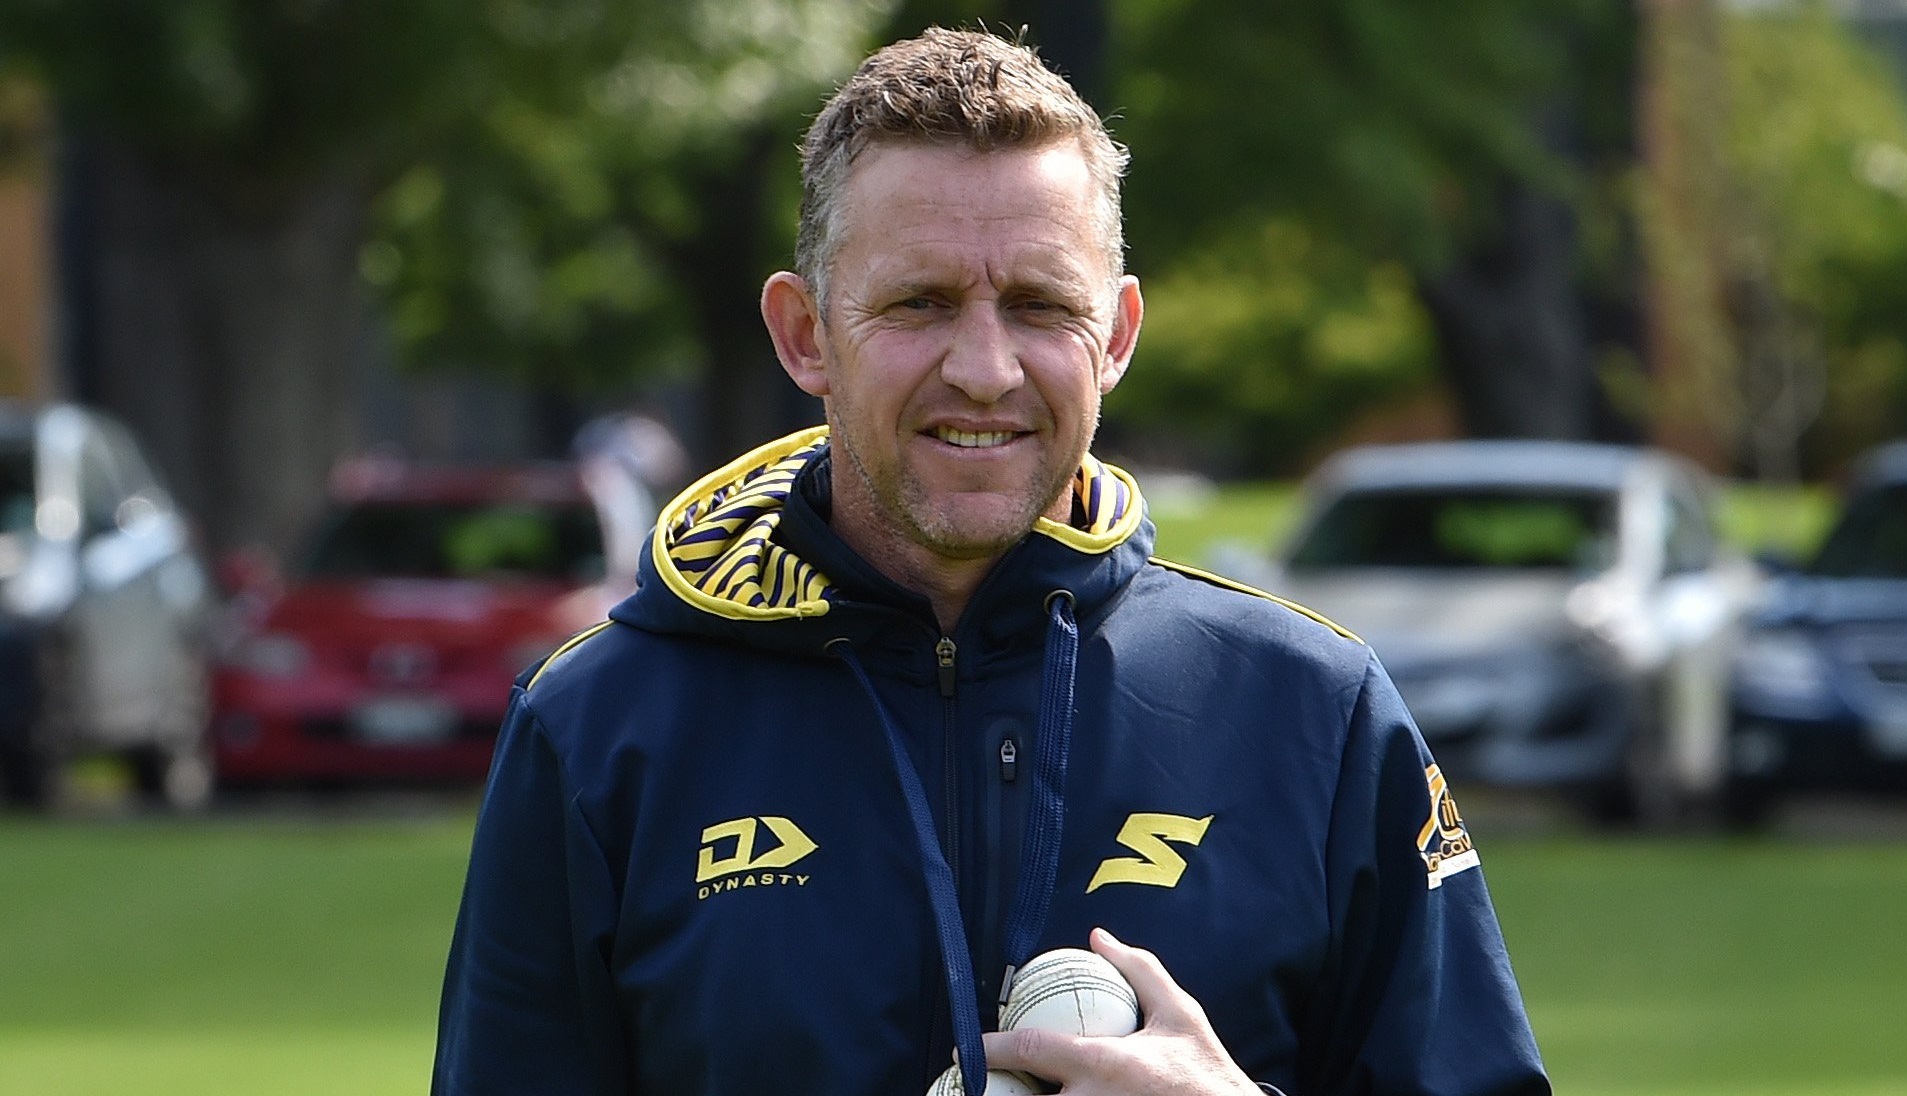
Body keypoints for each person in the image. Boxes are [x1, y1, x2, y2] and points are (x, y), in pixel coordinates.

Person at [432, 27, 1550, 1096]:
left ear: (1113, 337)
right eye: (919, 303)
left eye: (1037, 306)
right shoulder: (595, 729)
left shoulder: (1312, 712)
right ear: (804, 333)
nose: (983, 366)